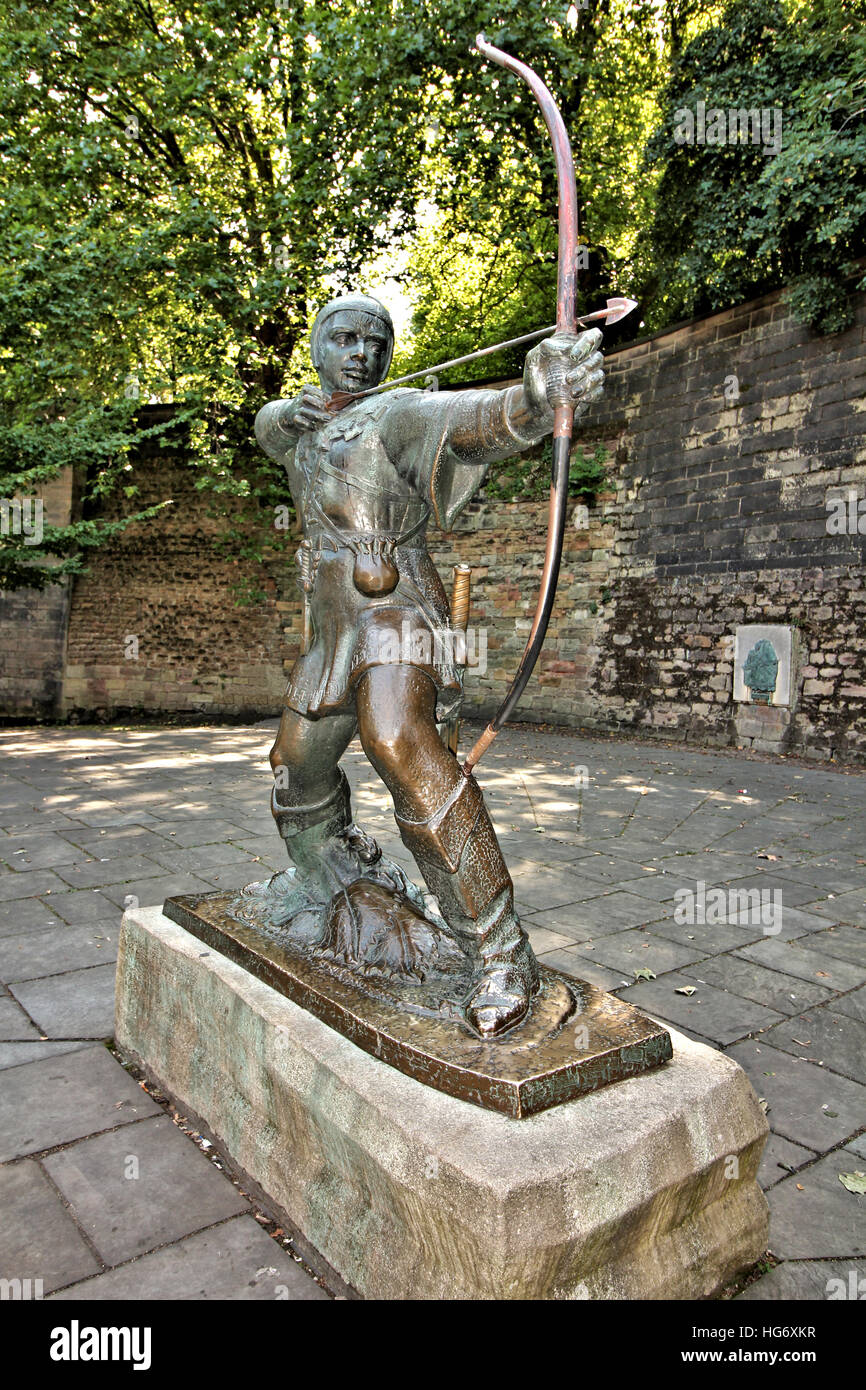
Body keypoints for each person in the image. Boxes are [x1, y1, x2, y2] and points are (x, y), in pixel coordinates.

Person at [255, 292, 603, 1037]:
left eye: (376, 342)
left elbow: (477, 421)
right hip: (332, 630)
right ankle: (326, 881)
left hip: (395, 614)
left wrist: (541, 395)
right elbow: (269, 427)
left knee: (398, 740)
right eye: (344, 339)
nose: (362, 355)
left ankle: (500, 953)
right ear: (316, 347)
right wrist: (288, 414)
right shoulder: (305, 427)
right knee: (295, 763)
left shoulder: (399, 413)